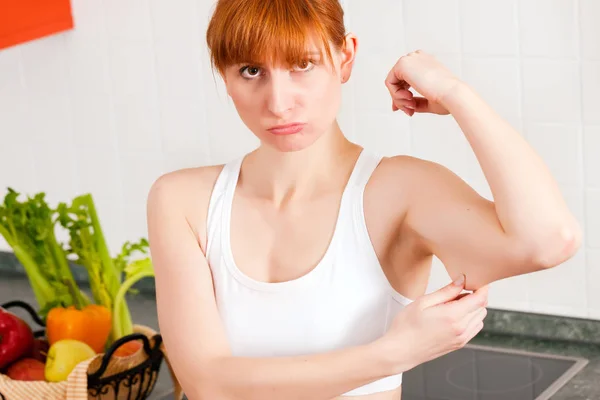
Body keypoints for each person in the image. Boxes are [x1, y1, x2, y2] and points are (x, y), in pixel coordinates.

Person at [146, 0, 582, 399]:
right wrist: (393, 354)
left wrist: (455, 93)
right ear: (224, 76)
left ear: (345, 58)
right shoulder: (182, 200)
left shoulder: (399, 191)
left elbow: (549, 241)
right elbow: (207, 383)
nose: (278, 104)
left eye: (302, 64)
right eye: (251, 71)